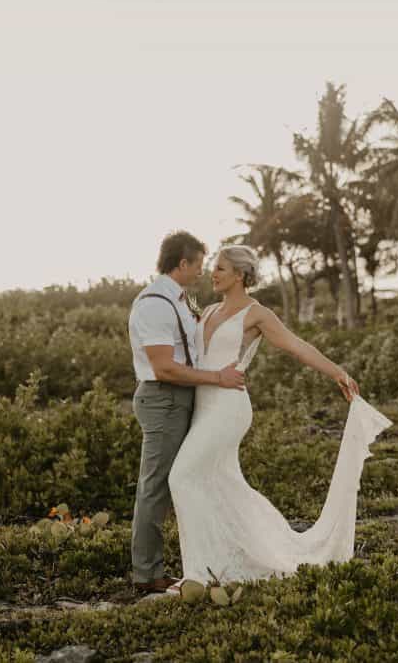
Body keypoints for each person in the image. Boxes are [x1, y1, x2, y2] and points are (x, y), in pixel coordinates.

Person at [168, 244, 392, 589]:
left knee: (182, 476)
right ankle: (221, 565)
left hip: (229, 409)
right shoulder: (209, 309)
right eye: (214, 268)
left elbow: (297, 346)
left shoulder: (257, 314)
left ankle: (199, 572)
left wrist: (338, 373)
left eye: (221, 269)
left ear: (241, 275)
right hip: (203, 405)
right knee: (222, 484)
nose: (213, 274)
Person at [127, 231, 246, 594]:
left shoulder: (179, 300)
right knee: (156, 487)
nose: (201, 273)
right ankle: (147, 576)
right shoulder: (154, 304)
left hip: (182, 399)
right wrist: (218, 378)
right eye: (197, 265)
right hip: (163, 398)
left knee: (184, 480)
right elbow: (164, 367)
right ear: (182, 263)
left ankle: (197, 559)